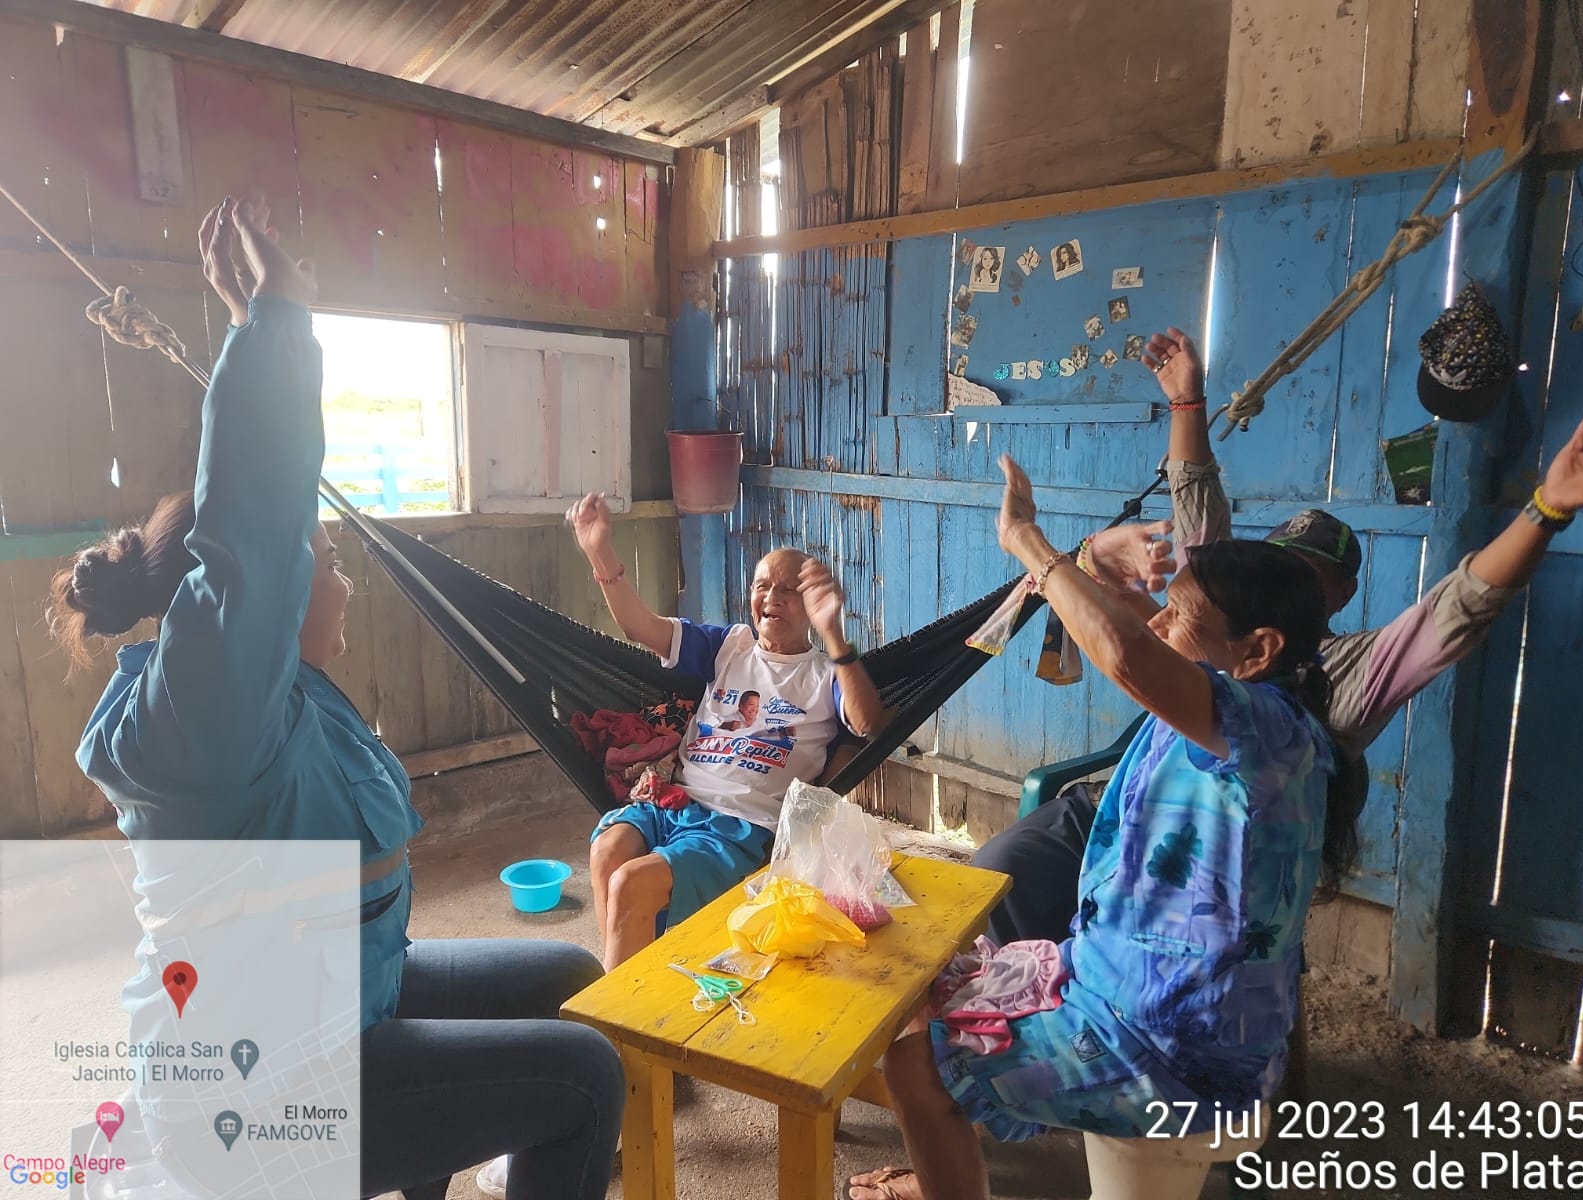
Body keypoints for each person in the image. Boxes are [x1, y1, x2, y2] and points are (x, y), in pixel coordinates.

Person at [48, 197, 623, 1200]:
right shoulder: (203, 719)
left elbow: (263, 528)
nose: (344, 582)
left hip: (334, 991)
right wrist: (277, 321)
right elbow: (252, 535)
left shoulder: (278, 701)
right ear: (262, 603)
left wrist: (253, 327)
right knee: (581, 1076)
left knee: (569, 983)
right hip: (256, 1087)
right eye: (328, 561)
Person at [974, 325, 1583, 947]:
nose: (1285, 577)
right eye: (1276, 561)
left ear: (1274, 640)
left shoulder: (1307, 696)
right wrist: (1186, 404)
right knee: (994, 888)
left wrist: (1546, 509)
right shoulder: (1210, 617)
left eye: (1309, 574)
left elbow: (1459, 606)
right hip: (1126, 809)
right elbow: (1195, 512)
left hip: (1199, 868)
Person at [847, 457, 1363, 1200]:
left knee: (915, 1065)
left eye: (1178, 616)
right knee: (931, 983)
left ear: (1259, 650)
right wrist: (1093, 556)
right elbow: (1125, 629)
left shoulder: (1267, 732)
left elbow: (1126, 652)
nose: (1158, 624)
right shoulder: (1231, 709)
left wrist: (1025, 538)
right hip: (1135, 1000)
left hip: (1173, 1050)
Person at [565, 494, 885, 972]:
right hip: (674, 803)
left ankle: (615, 1009)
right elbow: (640, 627)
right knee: (607, 853)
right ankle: (629, 981)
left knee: (631, 883)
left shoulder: (825, 674)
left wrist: (834, 633)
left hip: (742, 827)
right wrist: (600, 553)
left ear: (813, 604)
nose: (771, 597)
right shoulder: (729, 646)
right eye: (762, 586)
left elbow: (867, 723)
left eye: (788, 589)